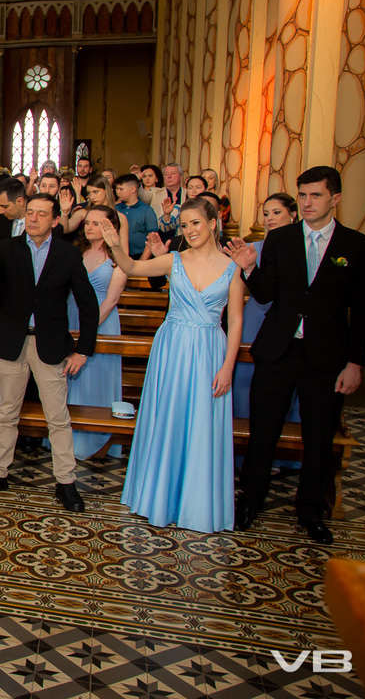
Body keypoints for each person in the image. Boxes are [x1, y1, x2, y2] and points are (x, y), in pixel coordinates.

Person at [225, 166, 365, 544]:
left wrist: (355, 362)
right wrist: (248, 268)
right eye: (303, 195)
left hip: (326, 355)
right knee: (262, 431)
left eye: (316, 196)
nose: (307, 203)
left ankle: (310, 509)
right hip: (279, 349)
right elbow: (265, 294)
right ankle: (251, 500)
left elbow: (363, 310)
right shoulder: (282, 239)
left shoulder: (356, 246)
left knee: (320, 436)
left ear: (335, 199)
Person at [102, 197, 244, 533]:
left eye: (196, 223)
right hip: (172, 348)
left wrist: (227, 368)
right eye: (184, 225)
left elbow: (236, 322)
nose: (190, 230)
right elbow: (134, 268)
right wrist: (115, 247)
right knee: (169, 418)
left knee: (202, 424)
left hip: (210, 348)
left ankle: (197, 504)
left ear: (212, 224)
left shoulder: (232, 268)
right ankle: (159, 498)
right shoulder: (174, 260)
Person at [0, 194, 98, 511]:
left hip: (50, 346)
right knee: (7, 412)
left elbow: (89, 306)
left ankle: (66, 482)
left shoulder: (67, 255)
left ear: (54, 220)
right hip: (12, 342)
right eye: (30, 213)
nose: (33, 219)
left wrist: (83, 351)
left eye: (41, 214)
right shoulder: (9, 248)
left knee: (58, 418)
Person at [64, 206, 127, 459]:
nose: (89, 227)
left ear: (110, 227)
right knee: (69, 377)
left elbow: (112, 301)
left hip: (103, 319)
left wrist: (88, 329)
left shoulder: (117, 258)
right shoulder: (74, 251)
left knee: (97, 376)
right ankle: (66, 436)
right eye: (87, 222)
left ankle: (98, 439)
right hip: (71, 314)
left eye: (96, 223)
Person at [233, 193, 300, 422]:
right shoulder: (253, 248)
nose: (270, 218)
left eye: (276, 212)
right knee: (247, 375)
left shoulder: (301, 247)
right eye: (266, 214)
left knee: (286, 379)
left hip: (288, 317)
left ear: (293, 215)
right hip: (255, 315)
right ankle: (243, 435)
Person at [114, 173, 159, 261]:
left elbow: (152, 238)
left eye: (121, 189)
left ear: (133, 189)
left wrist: (142, 261)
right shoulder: (115, 208)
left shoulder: (147, 210)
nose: (117, 192)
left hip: (139, 256)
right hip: (117, 255)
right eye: (116, 189)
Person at [157, 163, 185, 239]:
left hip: (182, 237)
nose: (169, 176)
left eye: (173, 173)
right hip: (160, 238)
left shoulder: (188, 194)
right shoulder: (155, 193)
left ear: (181, 177)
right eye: (166, 174)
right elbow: (143, 195)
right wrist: (137, 178)